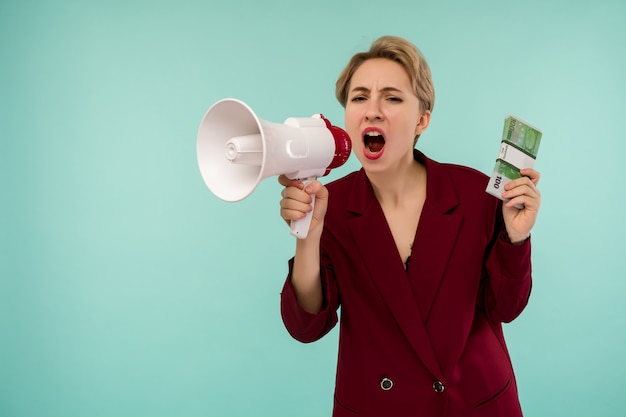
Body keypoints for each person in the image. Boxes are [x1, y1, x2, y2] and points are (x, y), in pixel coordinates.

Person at [277, 35, 541, 417]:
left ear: (422, 119)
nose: (373, 111)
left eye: (393, 98)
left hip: (474, 404)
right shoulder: (327, 204)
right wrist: (308, 235)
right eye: (360, 97)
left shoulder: (474, 194)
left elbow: (506, 307)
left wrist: (516, 237)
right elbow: (305, 327)